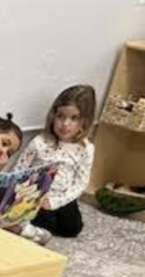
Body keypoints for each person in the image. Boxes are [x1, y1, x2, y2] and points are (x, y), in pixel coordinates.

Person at [15, 84, 97, 242]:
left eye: (74, 118)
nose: (65, 124)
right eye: (61, 116)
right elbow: (20, 168)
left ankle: (42, 219)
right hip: (37, 195)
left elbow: (81, 182)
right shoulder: (40, 142)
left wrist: (56, 202)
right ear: (53, 115)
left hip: (62, 196)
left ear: (84, 122)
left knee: (73, 228)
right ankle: (28, 225)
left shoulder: (86, 149)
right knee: (48, 224)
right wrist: (26, 195)